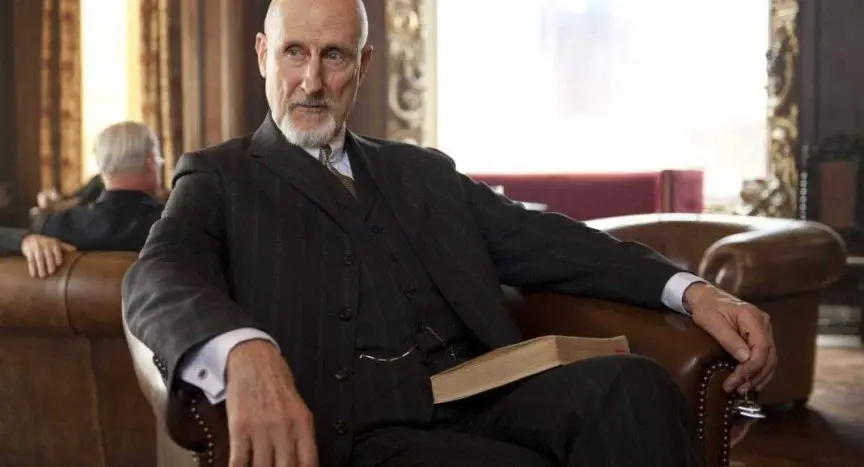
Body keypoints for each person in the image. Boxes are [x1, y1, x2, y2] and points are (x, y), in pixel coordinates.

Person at [122, 1, 777, 466]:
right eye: (295, 52)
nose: (312, 81)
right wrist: (244, 350)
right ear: (265, 54)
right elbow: (157, 275)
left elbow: (548, 241)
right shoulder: (221, 176)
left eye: (334, 55)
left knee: (635, 389)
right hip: (362, 430)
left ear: (364, 64)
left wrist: (693, 291)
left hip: (490, 392)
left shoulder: (420, 171)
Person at [0, 121, 165, 278]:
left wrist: (23, 241)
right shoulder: (169, 225)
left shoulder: (54, 227)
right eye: (159, 160)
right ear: (151, 162)